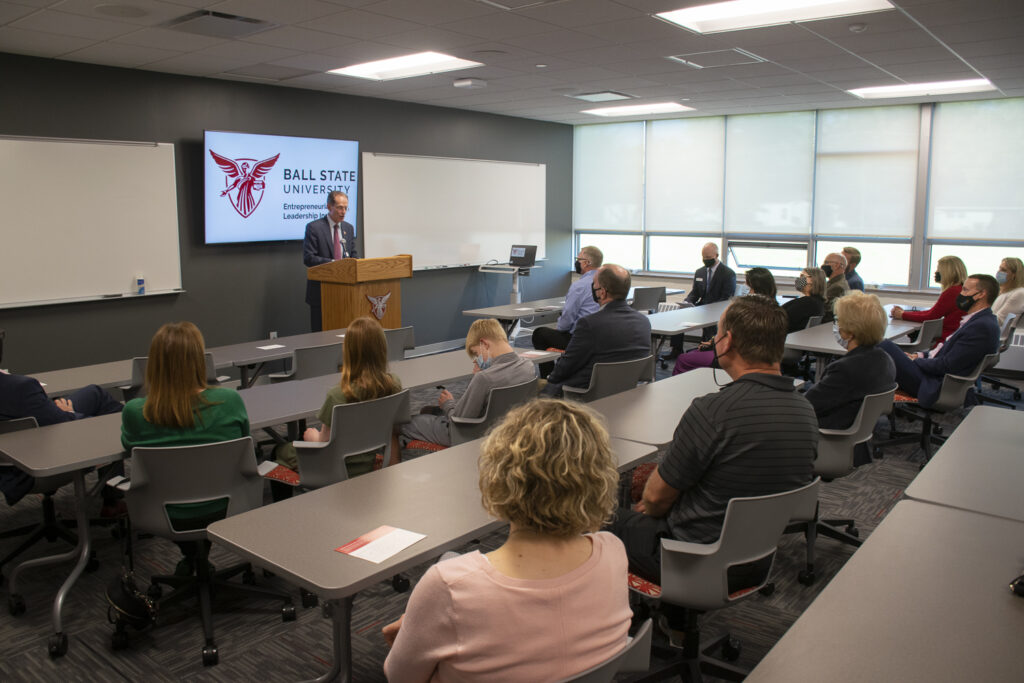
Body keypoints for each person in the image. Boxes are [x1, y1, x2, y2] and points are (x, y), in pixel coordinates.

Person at [382, 399, 631, 682]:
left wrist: (416, 629)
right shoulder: (613, 551)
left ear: (498, 476)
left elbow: (399, 676)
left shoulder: (449, 586)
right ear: (598, 478)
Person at [607, 295, 817, 591]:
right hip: (756, 558)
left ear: (727, 341)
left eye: (717, 334)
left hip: (687, 559)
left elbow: (655, 500)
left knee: (584, 515)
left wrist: (649, 511)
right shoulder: (805, 410)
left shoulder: (713, 412)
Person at [121, 321, 250, 576]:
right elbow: (244, 444)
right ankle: (198, 556)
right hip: (229, 504)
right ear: (199, 361)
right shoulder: (229, 401)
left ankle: (191, 557)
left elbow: (130, 449)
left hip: (162, 511)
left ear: (154, 364)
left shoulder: (136, 412)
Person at [0, 338, 123, 506]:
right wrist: (69, 412)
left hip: (7, 461)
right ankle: (115, 500)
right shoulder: (21, 387)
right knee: (108, 422)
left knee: (94, 394)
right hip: (33, 465)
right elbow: (62, 426)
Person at [400, 318, 535, 448]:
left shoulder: (484, 379)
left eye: (476, 353)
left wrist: (448, 404)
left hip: (466, 434)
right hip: (506, 429)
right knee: (428, 410)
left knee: (402, 423)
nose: (477, 359)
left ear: (485, 344)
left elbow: (458, 420)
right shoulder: (528, 366)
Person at [879, 274, 1001, 409]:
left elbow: (947, 365)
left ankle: (867, 405)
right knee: (884, 349)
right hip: (933, 375)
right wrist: (919, 356)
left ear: (981, 294)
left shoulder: (980, 327)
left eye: (965, 290)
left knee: (882, 346)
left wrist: (916, 361)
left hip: (934, 383)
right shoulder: (979, 320)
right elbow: (946, 354)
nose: (960, 294)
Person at [804, 291, 896, 466]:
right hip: (852, 440)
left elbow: (805, 406)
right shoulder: (884, 359)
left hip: (826, 441)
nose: (836, 326)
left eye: (838, 321)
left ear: (849, 332)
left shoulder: (846, 369)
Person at [302, 316, 402, 475]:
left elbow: (324, 444)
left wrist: (312, 437)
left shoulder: (337, 395)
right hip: (376, 459)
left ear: (348, 351)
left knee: (281, 452)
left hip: (339, 470)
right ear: (382, 348)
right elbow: (395, 429)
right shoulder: (393, 384)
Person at [543, 264, 651, 397]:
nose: (592, 287)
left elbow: (566, 366)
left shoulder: (590, 324)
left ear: (602, 292)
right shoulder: (643, 321)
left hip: (585, 393)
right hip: (627, 391)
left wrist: (550, 379)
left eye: (593, 284)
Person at [672, 267, 777, 375]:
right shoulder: (775, 308)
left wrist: (713, 343)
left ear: (755, 288)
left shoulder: (744, 310)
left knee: (683, 358)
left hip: (735, 355)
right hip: (760, 356)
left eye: (749, 287)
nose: (746, 290)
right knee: (694, 353)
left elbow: (732, 337)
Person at [531, 246, 602, 374]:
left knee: (539, 334)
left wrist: (558, 328)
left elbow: (567, 319)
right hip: (600, 337)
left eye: (578, 259)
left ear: (587, 263)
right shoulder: (605, 281)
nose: (576, 262)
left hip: (578, 340)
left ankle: (548, 376)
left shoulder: (579, 286)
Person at [669, 242, 736, 356]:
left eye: (709, 257)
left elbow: (726, 297)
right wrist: (687, 301)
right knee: (678, 315)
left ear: (717, 255)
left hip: (716, 309)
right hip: (701, 307)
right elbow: (695, 292)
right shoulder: (700, 272)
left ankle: (708, 349)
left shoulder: (728, 274)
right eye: (704, 257)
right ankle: (676, 349)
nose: (706, 260)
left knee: (711, 324)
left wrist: (708, 308)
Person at [303, 190, 357, 332]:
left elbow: (354, 256)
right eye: (339, 207)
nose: (343, 212)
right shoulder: (314, 228)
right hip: (321, 293)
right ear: (329, 207)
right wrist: (334, 264)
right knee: (321, 336)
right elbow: (309, 258)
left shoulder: (348, 229)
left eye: (346, 208)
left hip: (345, 293)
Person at [889, 255, 967, 345]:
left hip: (946, 341)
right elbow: (931, 312)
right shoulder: (960, 289)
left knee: (886, 344)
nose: (936, 272)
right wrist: (903, 313)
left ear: (947, 273)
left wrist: (902, 315)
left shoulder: (952, 292)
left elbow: (930, 316)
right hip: (953, 338)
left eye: (939, 269)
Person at [782, 266, 827, 333]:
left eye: (802, 276)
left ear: (812, 280)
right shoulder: (818, 302)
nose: (799, 279)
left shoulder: (807, 303)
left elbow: (780, 318)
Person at [993, 256, 1024, 326]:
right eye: (999, 268)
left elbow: (999, 320)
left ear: (1014, 275)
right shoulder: (1001, 292)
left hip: (999, 335)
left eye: (1003, 270)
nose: (998, 271)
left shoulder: (1019, 293)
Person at [821, 252, 849, 322]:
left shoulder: (837, 287)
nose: (823, 265)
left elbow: (821, 308)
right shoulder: (836, 283)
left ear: (837, 265)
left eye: (826, 262)